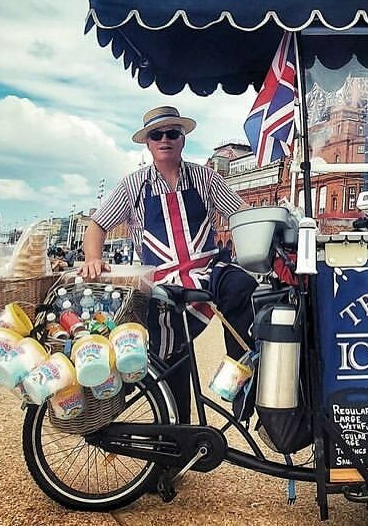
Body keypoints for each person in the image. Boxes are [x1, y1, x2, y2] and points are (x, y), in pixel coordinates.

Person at [82, 106, 255, 421]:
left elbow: (241, 215)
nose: (165, 139)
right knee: (171, 356)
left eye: (172, 133)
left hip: (207, 271)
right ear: (147, 143)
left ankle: (241, 385)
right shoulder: (132, 185)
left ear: (183, 139)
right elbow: (96, 226)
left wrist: (270, 230)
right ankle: (176, 441)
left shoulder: (206, 177)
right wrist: (94, 259)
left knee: (244, 287)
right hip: (161, 281)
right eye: (156, 135)